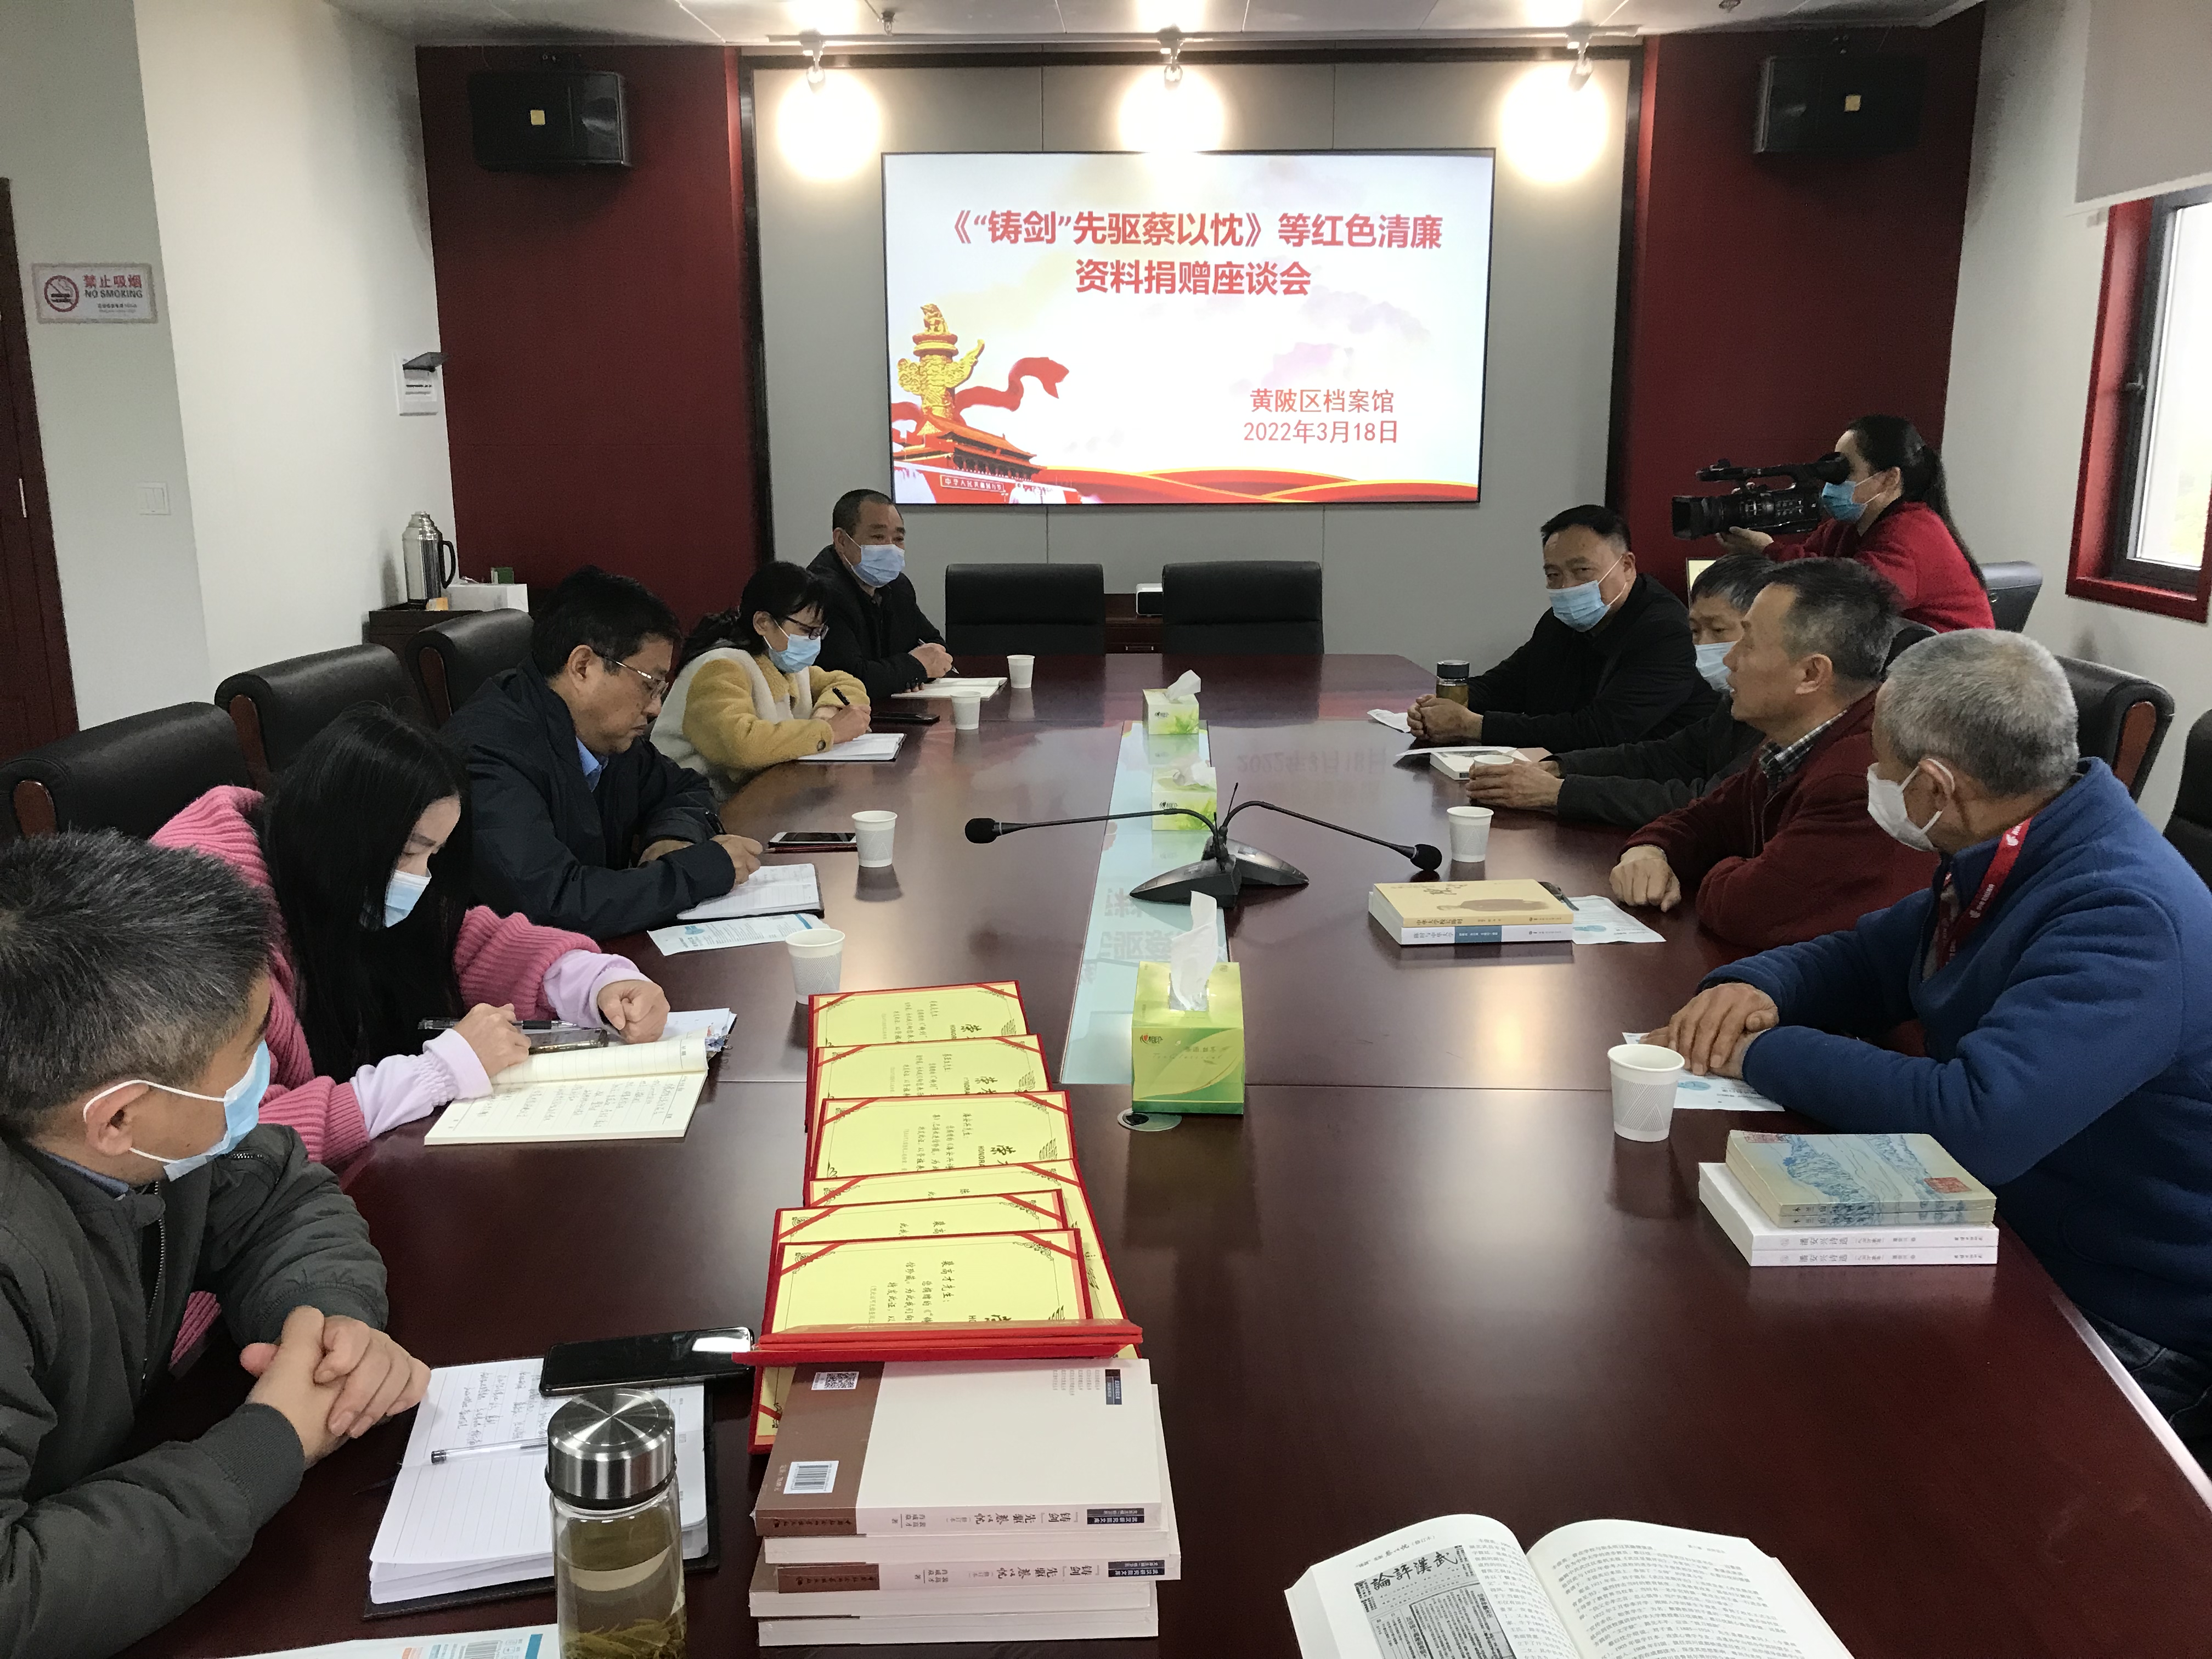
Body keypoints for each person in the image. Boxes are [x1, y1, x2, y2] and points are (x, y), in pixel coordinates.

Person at [1652, 630, 2212, 1467]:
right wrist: (1756, 988)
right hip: (1998, 1229)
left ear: (1935, 787)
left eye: (1880, 766)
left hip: (2119, 1309)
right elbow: (1869, 958)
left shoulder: (2124, 914)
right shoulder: (2011, 845)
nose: (1871, 780)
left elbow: (1975, 1120)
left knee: (1838, 1446)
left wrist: (1759, 1052)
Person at [0, 832, 430, 1657]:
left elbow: (280, 1197)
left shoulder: (153, 1142)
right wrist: (272, 1440)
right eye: (246, 1054)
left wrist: (324, 1323)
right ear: (118, 1117)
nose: (265, 1071)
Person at [154, 704, 669, 1170]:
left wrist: (594, 981)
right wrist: (438, 1073)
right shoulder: (203, 930)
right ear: (344, 833)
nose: (419, 879)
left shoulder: (315, 858)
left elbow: (458, 941)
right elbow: (234, 1143)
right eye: (408, 853)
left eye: (432, 856)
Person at [1609, 558, 1934, 950]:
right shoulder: (1789, 743)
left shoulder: (1862, 774)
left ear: (1811, 674)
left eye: (1748, 644)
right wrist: (1650, 851)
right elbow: (1705, 820)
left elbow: (1750, 911)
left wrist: (1726, 867)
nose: (1729, 659)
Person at [443, 566, 764, 938]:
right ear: (583, 667)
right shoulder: (487, 756)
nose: (656, 708)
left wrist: (672, 839)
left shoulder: (603, 733)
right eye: (650, 685)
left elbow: (684, 788)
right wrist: (698, 872)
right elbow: (553, 904)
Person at [1462, 554, 1769, 828]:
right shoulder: (1734, 702)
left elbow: (1707, 803)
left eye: (1718, 631)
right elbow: (1663, 757)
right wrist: (1558, 767)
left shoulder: (1782, 722)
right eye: (1695, 631)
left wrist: (1557, 793)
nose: (1703, 646)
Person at [1407, 504, 1717, 750]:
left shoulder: (1667, 632)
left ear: (1626, 566)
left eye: (1582, 571)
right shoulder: (1560, 621)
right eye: (1553, 575)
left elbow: (1600, 731)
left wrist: (1471, 725)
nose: (1567, 587)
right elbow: (1506, 685)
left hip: (1645, 789)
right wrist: (1443, 704)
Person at [1720, 414, 1993, 632]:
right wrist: (1754, 534)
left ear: (1889, 479)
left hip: (1953, 671)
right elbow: (1806, 572)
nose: (1832, 482)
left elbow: (1857, 595)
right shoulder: (1846, 527)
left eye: (1844, 470)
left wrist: (1770, 550)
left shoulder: (1914, 531)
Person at [656, 560, 873, 806]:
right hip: (693, 807)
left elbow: (846, 683)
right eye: (806, 631)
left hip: (754, 798)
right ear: (763, 623)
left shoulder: (782, 663)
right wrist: (828, 732)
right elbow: (740, 745)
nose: (813, 642)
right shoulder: (720, 667)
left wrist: (827, 711)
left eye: (818, 633)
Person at [809, 488, 952, 700]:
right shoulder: (820, 593)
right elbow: (850, 679)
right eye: (878, 537)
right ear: (842, 541)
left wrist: (905, 674)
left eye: (899, 538)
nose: (891, 548)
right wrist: (913, 668)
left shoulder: (898, 586)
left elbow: (935, 646)